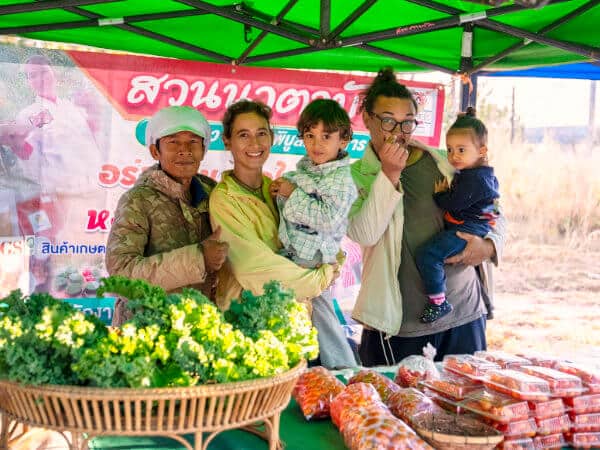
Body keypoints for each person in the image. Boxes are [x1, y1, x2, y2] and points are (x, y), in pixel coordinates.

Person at [348, 68, 506, 366]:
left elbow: (495, 208)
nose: (398, 131)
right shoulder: (355, 176)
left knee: (465, 406)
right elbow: (364, 233)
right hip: (398, 323)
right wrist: (388, 175)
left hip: (463, 312)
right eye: (387, 120)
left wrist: (488, 246)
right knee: (395, 408)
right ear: (367, 119)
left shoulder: (445, 162)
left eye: (407, 122)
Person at [210, 99, 357, 369]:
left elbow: (322, 226)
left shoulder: (276, 187)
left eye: (261, 133)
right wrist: (322, 277)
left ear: (272, 138)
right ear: (228, 141)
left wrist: (332, 257)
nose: (254, 143)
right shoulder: (224, 199)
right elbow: (254, 270)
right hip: (251, 326)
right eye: (243, 135)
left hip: (292, 323)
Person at [106, 106, 229, 325]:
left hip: (199, 333)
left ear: (204, 149)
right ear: (155, 151)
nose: (184, 150)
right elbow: (120, 276)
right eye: (173, 142)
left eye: (193, 142)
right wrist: (199, 259)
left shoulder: (215, 194)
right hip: (146, 334)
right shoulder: (138, 200)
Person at [269, 98, 359, 366]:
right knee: (297, 316)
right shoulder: (306, 169)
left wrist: (292, 194)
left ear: (343, 141)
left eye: (326, 136)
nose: (317, 144)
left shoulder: (342, 179)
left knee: (321, 313)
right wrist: (281, 191)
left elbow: (328, 218)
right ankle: (300, 373)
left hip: (315, 259)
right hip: (295, 256)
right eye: (310, 135)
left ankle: (343, 369)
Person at [416, 108, 500, 323]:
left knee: (428, 255)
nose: (453, 156)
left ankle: (438, 301)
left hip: (467, 231)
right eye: (450, 149)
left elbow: (454, 204)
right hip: (473, 227)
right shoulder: (481, 174)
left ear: (482, 150)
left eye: (461, 150)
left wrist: (440, 195)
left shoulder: (475, 179)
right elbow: (493, 209)